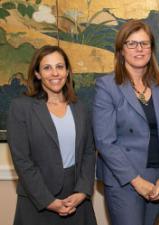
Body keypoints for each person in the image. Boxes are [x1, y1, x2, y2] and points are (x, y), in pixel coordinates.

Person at [92, 19, 159, 225]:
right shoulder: (107, 86)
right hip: (124, 178)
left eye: (144, 43)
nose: (139, 49)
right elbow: (105, 141)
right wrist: (136, 181)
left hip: (158, 178)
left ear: (151, 48)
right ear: (121, 50)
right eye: (131, 43)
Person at [7, 45, 97, 225]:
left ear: (67, 71)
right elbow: (22, 160)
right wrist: (47, 200)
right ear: (38, 74)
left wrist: (82, 191)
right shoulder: (21, 108)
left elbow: (88, 152)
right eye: (47, 68)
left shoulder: (80, 107)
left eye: (60, 66)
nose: (55, 73)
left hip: (76, 199)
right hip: (37, 200)